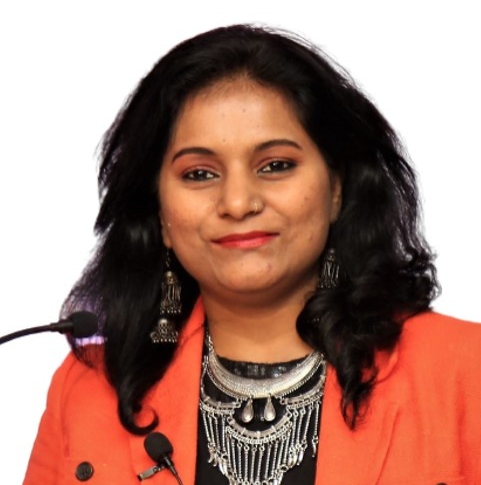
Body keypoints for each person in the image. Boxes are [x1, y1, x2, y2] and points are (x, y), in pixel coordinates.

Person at [24, 24, 481, 485]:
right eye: (199, 174)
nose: (239, 203)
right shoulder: (85, 389)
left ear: (337, 189)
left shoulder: (466, 369)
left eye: (276, 166)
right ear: (159, 213)